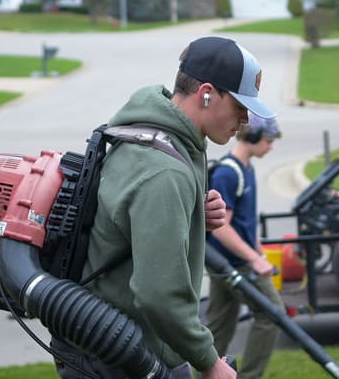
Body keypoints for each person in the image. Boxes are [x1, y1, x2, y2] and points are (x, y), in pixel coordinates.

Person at [50, 35, 276, 379]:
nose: (246, 119)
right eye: (240, 105)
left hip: (109, 344)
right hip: (113, 356)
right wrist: (210, 362)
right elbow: (159, 295)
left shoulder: (153, 134)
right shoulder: (165, 170)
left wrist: (196, 216)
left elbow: (133, 222)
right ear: (207, 93)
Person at [206, 113, 284, 379]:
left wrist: (260, 251)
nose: (271, 146)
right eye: (268, 140)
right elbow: (221, 228)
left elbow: (245, 222)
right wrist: (254, 259)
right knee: (272, 314)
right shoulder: (229, 173)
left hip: (230, 263)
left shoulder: (246, 168)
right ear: (251, 136)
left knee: (219, 327)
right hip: (234, 264)